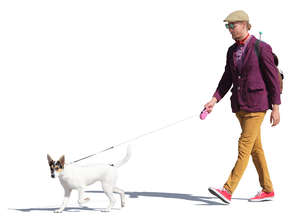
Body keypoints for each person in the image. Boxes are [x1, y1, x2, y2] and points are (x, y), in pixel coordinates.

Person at [204, 10, 281, 204]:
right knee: (256, 149)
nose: (230, 29)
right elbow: (227, 78)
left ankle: (228, 190)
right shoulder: (231, 50)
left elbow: (273, 79)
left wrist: (276, 107)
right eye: (227, 26)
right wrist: (214, 99)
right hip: (240, 106)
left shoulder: (261, 48)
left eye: (233, 25)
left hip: (257, 106)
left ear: (246, 25)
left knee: (244, 146)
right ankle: (268, 189)